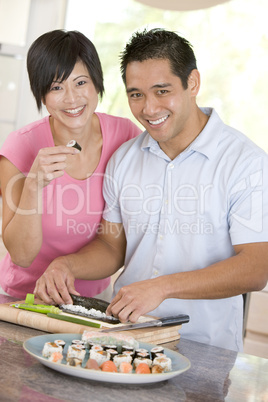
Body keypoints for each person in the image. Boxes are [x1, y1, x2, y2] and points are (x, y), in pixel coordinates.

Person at [34, 28, 268, 352]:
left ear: (193, 83)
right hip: (124, 340)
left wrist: (163, 287)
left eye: (162, 91)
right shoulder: (125, 159)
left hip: (206, 350)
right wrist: (66, 265)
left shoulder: (246, 162)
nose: (148, 108)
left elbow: (257, 267)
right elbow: (111, 245)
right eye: (136, 94)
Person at [0, 30, 141, 300]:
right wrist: (33, 186)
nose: (71, 98)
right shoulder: (19, 148)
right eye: (56, 87)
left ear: (96, 83)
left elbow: (121, 238)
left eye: (80, 82)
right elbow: (21, 255)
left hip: (94, 300)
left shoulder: (126, 137)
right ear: (42, 95)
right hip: (22, 299)